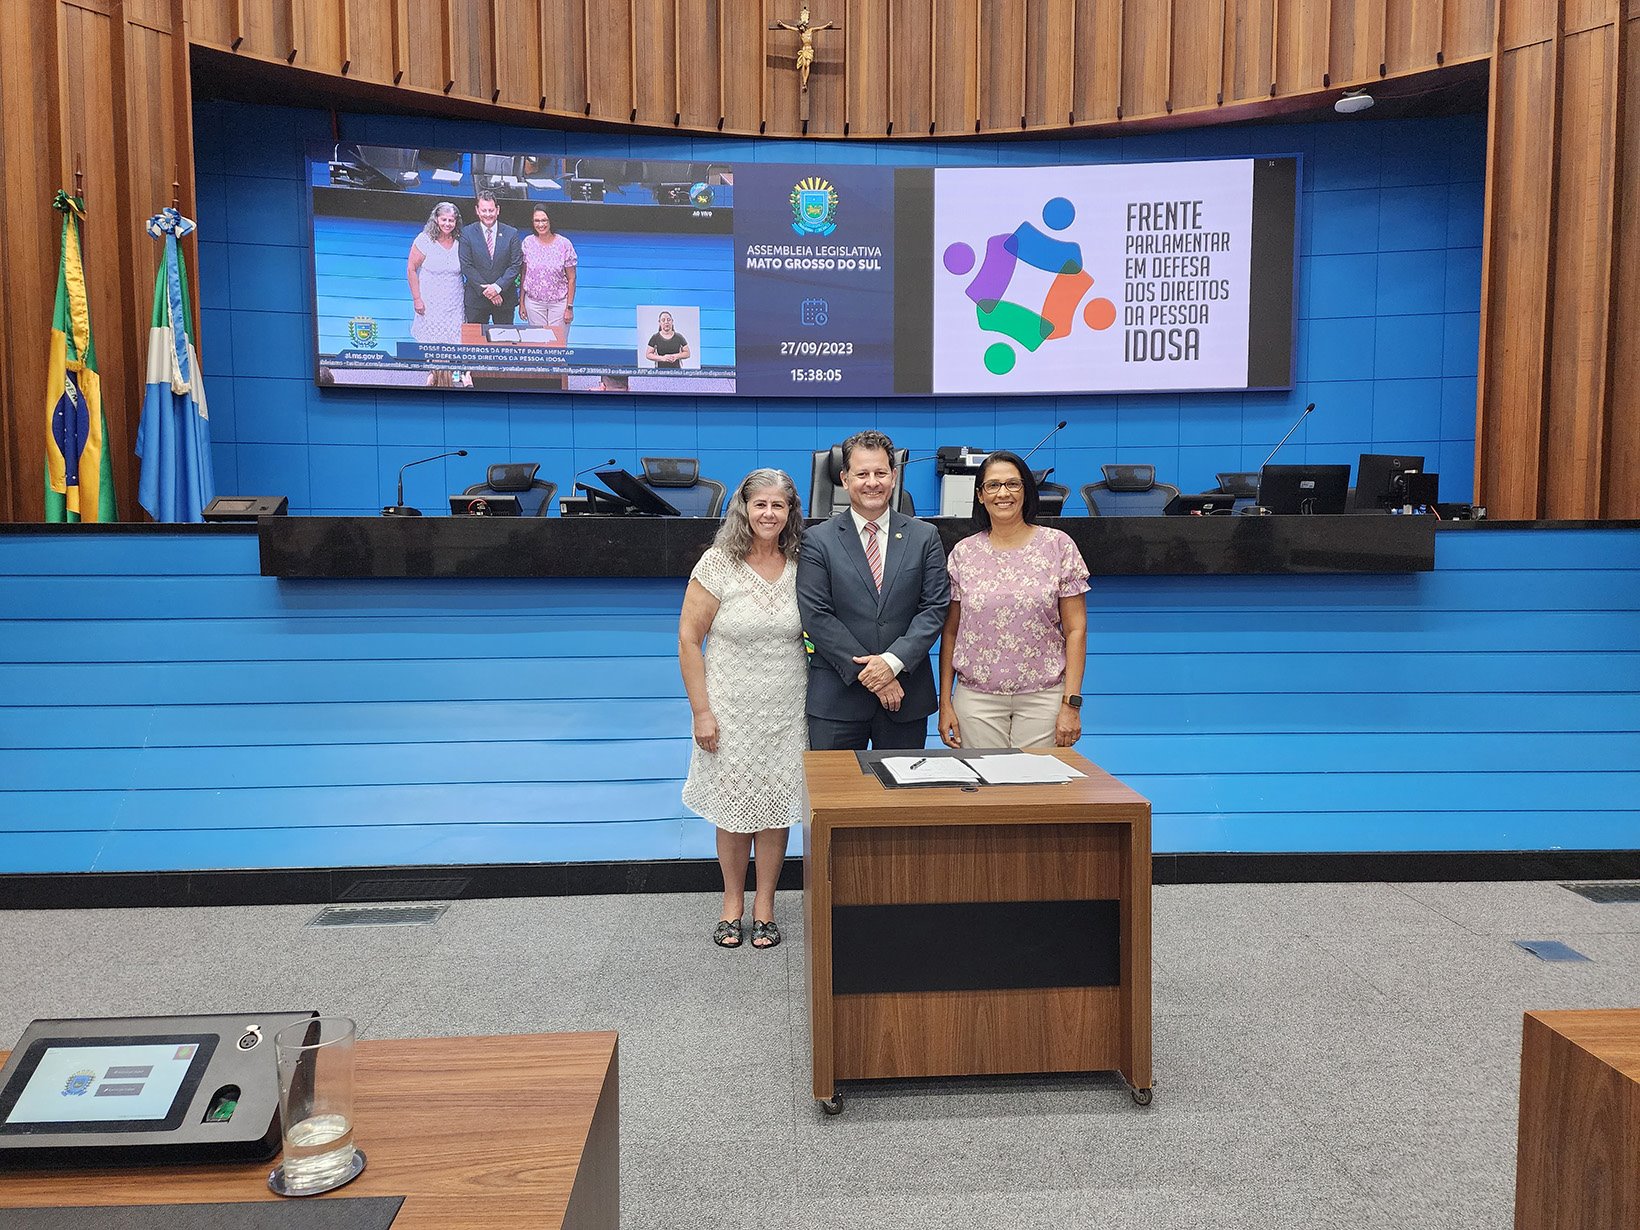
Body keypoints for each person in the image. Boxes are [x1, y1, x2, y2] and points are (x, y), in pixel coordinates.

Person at [678, 469, 808, 950]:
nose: (769, 514)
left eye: (779, 505)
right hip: (729, 711)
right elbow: (688, 640)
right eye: (760, 504)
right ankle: (732, 903)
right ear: (744, 509)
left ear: (791, 511)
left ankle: (765, 906)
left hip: (787, 711)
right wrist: (702, 712)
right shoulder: (717, 563)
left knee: (776, 809)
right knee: (733, 812)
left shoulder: (803, 563)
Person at [796, 430, 950, 751]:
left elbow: (934, 609)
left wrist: (892, 663)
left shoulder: (924, 537)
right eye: (862, 474)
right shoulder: (817, 540)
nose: (872, 482)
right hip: (837, 699)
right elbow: (816, 616)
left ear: (893, 476)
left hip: (905, 698)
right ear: (844, 479)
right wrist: (873, 675)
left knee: (901, 786)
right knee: (835, 786)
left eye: (880, 473)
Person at [937, 451, 1089, 751]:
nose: (1003, 493)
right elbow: (951, 632)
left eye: (1012, 484)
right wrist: (945, 702)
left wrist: (1071, 704)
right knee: (984, 782)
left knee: (1039, 780)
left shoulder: (1058, 546)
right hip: (977, 701)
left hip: (1044, 698)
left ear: (1026, 491)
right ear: (980, 495)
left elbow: (1076, 630)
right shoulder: (963, 554)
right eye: (993, 485)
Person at [458, 189, 522, 326]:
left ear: (497, 210)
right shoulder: (466, 233)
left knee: (504, 338)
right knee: (475, 339)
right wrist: (488, 291)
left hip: (504, 299)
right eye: (484, 210)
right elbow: (467, 266)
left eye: (491, 210)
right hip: (476, 300)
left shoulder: (512, 233)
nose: (488, 214)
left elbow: (515, 265)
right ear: (477, 210)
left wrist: (497, 288)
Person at [519, 205, 577, 337]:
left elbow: (572, 278)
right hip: (534, 304)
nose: (541, 224)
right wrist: (521, 302)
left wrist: (569, 307)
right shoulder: (527, 243)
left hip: (559, 304)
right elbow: (524, 274)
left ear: (551, 221)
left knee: (557, 344)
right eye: (537, 221)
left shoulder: (564, 244)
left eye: (544, 220)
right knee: (538, 344)